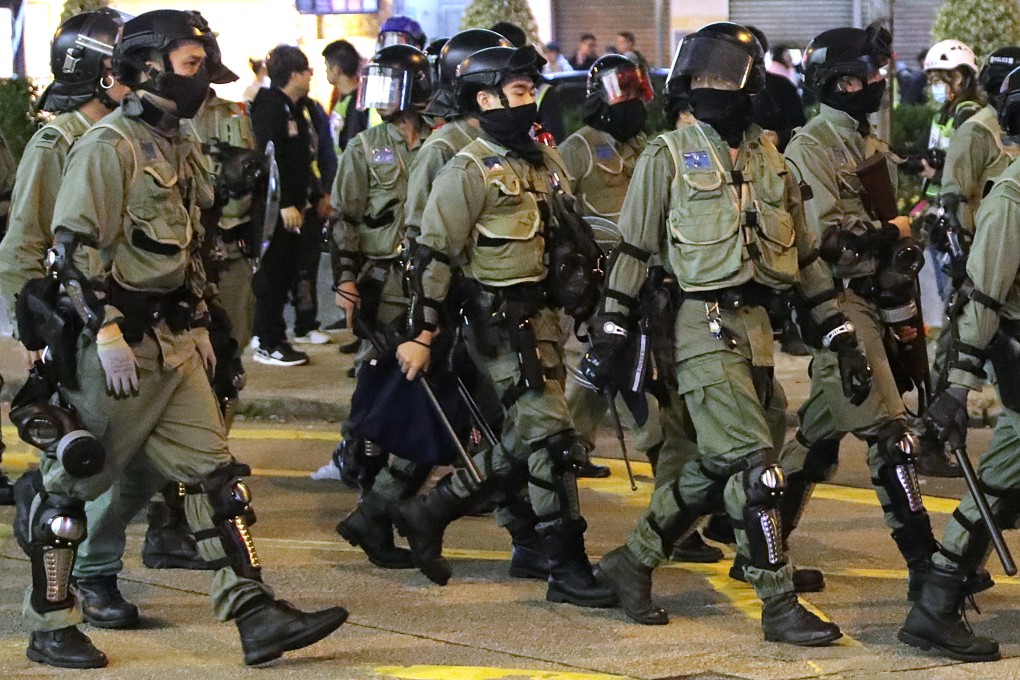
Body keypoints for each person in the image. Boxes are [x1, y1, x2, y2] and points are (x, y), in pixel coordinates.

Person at [19, 10, 347, 668]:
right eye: (192, 65)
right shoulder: (105, 146)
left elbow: (192, 247)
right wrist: (105, 329)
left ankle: (254, 613)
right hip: (118, 348)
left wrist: (197, 322)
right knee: (71, 486)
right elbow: (74, 248)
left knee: (215, 479)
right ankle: (50, 620)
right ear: (147, 69)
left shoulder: (180, 144)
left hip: (173, 343)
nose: (202, 78)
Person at [581, 22, 870, 645]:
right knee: (757, 469)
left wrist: (840, 331)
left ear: (750, 81)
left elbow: (809, 258)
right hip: (696, 323)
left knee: (718, 467)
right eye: (703, 74)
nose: (712, 86)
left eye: (724, 74)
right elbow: (632, 251)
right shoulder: (666, 156)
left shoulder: (772, 158)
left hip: (758, 325)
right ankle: (778, 602)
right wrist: (609, 328)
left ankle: (632, 561)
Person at [394, 43, 618, 608]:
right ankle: (567, 568)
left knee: (533, 438)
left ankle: (435, 507)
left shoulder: (542, 162)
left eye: (529, 90)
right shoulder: (467, 169)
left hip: (544, 322)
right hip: (497, 324)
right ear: (486, 98)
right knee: (554, 442)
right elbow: (432, 257)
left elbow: (574, 235)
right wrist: (422, 335)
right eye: (519, 91)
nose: (530, 101)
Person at [776, 26, 962, 604]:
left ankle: (759, 547)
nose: (879, 85)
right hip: (837, 302)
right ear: (842, 81)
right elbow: (825, 239)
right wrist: (893, 231)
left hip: (876, 299)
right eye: (869, 75)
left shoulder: (866, 140)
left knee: (816, 439)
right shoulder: (811, 147)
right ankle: (924, 564)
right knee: (890, 431)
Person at [558, 53, 725, 562]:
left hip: (647, 294)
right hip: (598, 299)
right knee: (574, 417)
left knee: (654, 409)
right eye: (622, 90)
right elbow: (563, 222)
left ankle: (673, 521)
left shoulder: (653, 150)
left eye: (638, 90)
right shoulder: (576, 150)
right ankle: (548, 524)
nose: (633, 101)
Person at [896, 63, 1020, 665]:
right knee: (997, 482)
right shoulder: (1012, 198)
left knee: (1003, 482)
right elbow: (983, 298)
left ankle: (937, 602)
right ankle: (936, 605)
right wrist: (958, 387)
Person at [330, 43, 435, 569]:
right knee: (376, 391)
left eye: (391, 86)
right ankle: (368, 498)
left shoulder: (441, 143)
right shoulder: (364, 147)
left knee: (420, 397)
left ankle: (388, 506)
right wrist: (344, 279)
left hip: (427, 287)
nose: (379, 98)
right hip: (381, 284)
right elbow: (345, 217)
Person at [249, 44, 317, 366]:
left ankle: (277, 337)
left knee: (286, 270)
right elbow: (270, 157)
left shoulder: (296, 107)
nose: (311, 75)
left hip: (294, 208)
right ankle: (267, 341)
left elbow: (302, 157)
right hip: (275, 210)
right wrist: (285, 203)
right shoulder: (270, 106)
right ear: (293, 74)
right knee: (272, 275)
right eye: (306, 70)